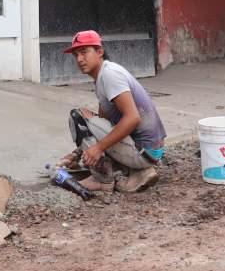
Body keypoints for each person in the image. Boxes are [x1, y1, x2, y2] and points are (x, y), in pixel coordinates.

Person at [60, 30, 166, 193]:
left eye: (84, 52)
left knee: (78, 118)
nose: (79, 59)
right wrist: (78, 153)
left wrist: (98, 148)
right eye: (76, 55)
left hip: (143, 152)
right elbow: (103, 122)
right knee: (87, 117)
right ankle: (136, 171)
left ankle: (102, 179)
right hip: (148, 151)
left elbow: (132, 118)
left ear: (100, 52)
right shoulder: (102, 76)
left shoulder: (110, 75)